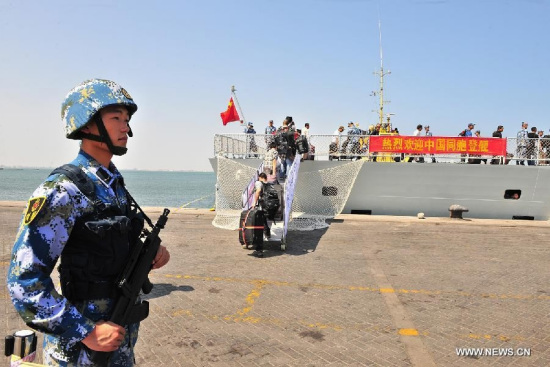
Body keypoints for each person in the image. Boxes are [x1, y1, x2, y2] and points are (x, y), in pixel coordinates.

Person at [6, 79, 171, 366]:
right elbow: (24, 282)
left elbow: (112, 244)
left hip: (119, 345)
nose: (126, 128)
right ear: (86, 125)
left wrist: (151, 253)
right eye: (115, 118)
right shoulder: (63, 190)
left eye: (127, 119)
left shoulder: (112, 185)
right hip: (80, 353)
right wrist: (86, 331)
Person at [251, 172, 271, 258]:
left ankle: (259, 249)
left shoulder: (258, 183)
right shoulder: (270, 184)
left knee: (258, 226)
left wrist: (254, 203)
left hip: (260, 206)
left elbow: (258, 191)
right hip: (268, 206)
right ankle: (267, 233)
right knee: (263, 221)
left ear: (260, 177)